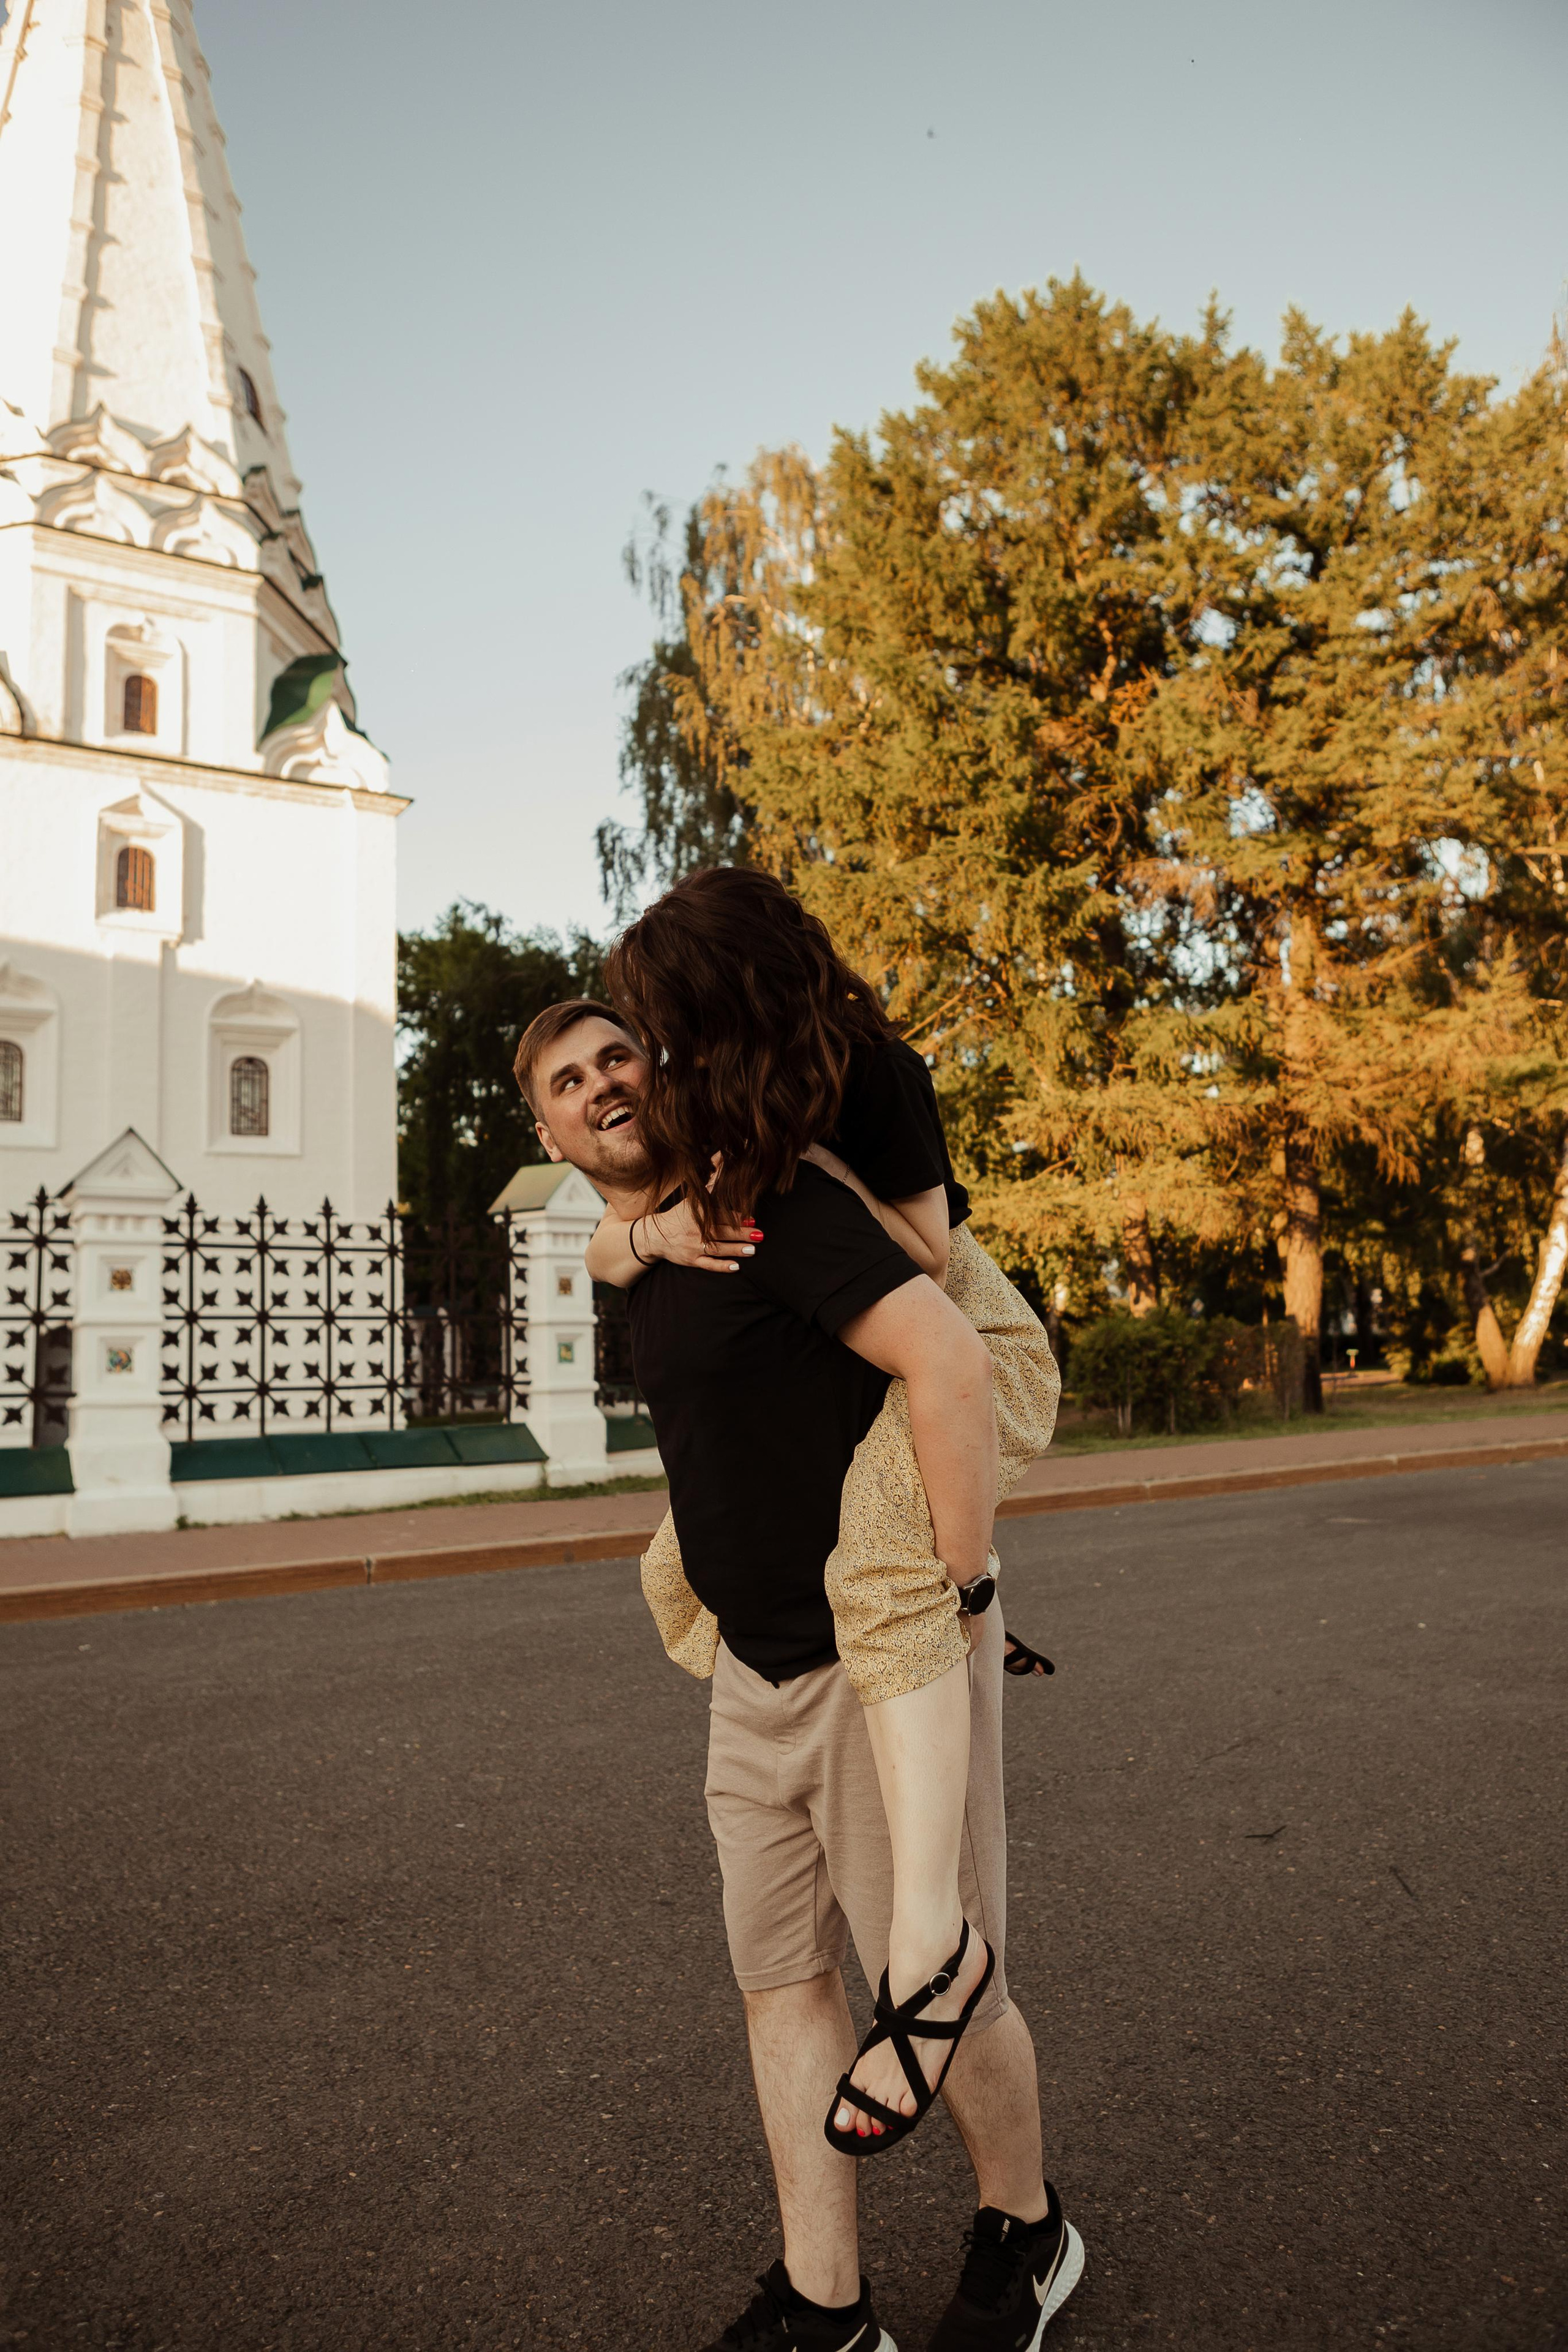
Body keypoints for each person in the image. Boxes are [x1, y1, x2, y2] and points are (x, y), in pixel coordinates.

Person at [514, 996, 1084, 2352]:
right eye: (564, 1080)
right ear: (541, 1128)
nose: (598, 1085)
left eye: (615, 1057)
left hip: (870, 1677)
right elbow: (614, 1260)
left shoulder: (759, 1198)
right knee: (781, 1984)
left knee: (943, 1989)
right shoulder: (647, 1245)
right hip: (749, 1682)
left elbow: (941, 1365)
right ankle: (827, 2308)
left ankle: (1026, 2231)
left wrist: (956, 1591)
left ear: (665, 1070)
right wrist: (638, 1234)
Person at [594, 869, 1058, 2155]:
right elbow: (606, 1231)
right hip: (888, 1346)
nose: (654, 1052)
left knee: (887, 1577)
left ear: (725, 984)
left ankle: (928, 1940)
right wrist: (650, 1239)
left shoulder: (870, 1070)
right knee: (681, 1568)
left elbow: (917, 1251)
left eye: (663, 1016)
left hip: (969, 1330)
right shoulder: (730, 1086)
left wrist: (963, 1583)